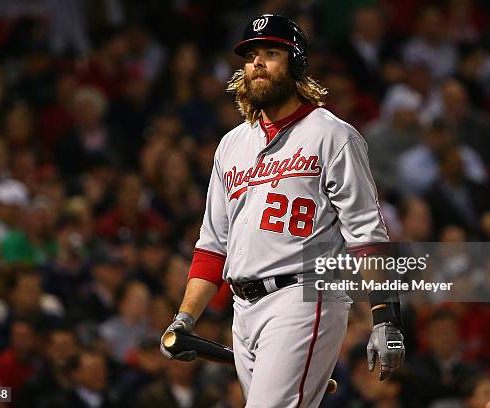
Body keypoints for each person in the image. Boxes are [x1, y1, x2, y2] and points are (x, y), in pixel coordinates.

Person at [159, 14, 404, 407]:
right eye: (251, 55)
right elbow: (212, 249)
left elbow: (367, 234)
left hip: (305, 294)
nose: (256, 63)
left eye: (271, 53)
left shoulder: (332, 135)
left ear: (296, 63)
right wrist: (184, 319)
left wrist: (385, 317)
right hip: (243, 309)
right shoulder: (231, 145)